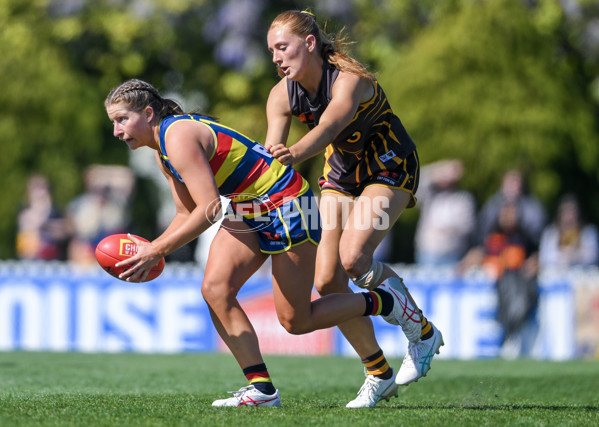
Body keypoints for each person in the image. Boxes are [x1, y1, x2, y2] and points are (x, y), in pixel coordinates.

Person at [105, 78, 426, 408]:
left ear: (147, 113)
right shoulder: (164, 151)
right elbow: (185, 212)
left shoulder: (178, 136)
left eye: (122, 119)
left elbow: (210, 208)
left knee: (295, 322)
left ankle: (387, 302)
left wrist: (156, 251)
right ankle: (261, 390)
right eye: (113, 122)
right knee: (215, 289)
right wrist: (148, 250)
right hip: (251, 207)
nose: (117, 131)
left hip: (288, 204)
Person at [264, 10, 444, 408]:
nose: (276, 58)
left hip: (390, 167)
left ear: (309, 43)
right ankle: (378, 372)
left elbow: (328, 128)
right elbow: (271, 159)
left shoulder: (351, 80)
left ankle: (421, 331)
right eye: (271, 51)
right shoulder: (281, 95)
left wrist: (292, 153)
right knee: (327, 282)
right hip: (342, 177)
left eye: (282, 47)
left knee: (353, 258)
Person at [414, 159, 476, 268]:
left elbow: (467, 226)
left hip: (453, 253)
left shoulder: (463, 198)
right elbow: (415, 182)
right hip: (428, 253)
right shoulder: (430, 195)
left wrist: (447, 229)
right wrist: (437, 170)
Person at [539, 194, 599, 269]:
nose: (570, 216)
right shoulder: (551, 233)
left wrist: (574, 254)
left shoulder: (588, 231)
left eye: (573, 212)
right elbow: (545, 258)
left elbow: (593, 257)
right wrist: (564, 254)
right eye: (566, 212)